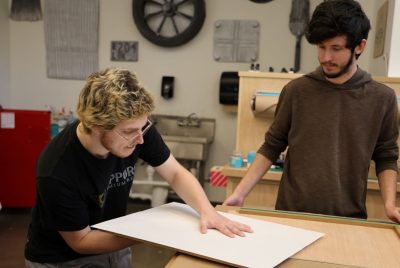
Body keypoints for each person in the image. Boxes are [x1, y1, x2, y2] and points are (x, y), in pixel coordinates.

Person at [25, 68, 252, 267]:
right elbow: (81, 242)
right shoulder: (56, 171)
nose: (140, 139)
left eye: (143, 127)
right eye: (129, 132)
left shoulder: (137, 128)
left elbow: (174, 172)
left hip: (113, 239)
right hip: (61, 259)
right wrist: (152, 233)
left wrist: (208, 212)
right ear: (95, 125)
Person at [224, 0, 400, 223]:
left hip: (348, 219)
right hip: (290, 214)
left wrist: (389, 204)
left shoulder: (381, 99)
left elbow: (386, 157)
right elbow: (272, 145)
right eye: (321, 47)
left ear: (360, 46)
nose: (326, 57)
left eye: (336, 48)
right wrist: (240, 194)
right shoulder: (296, 91)